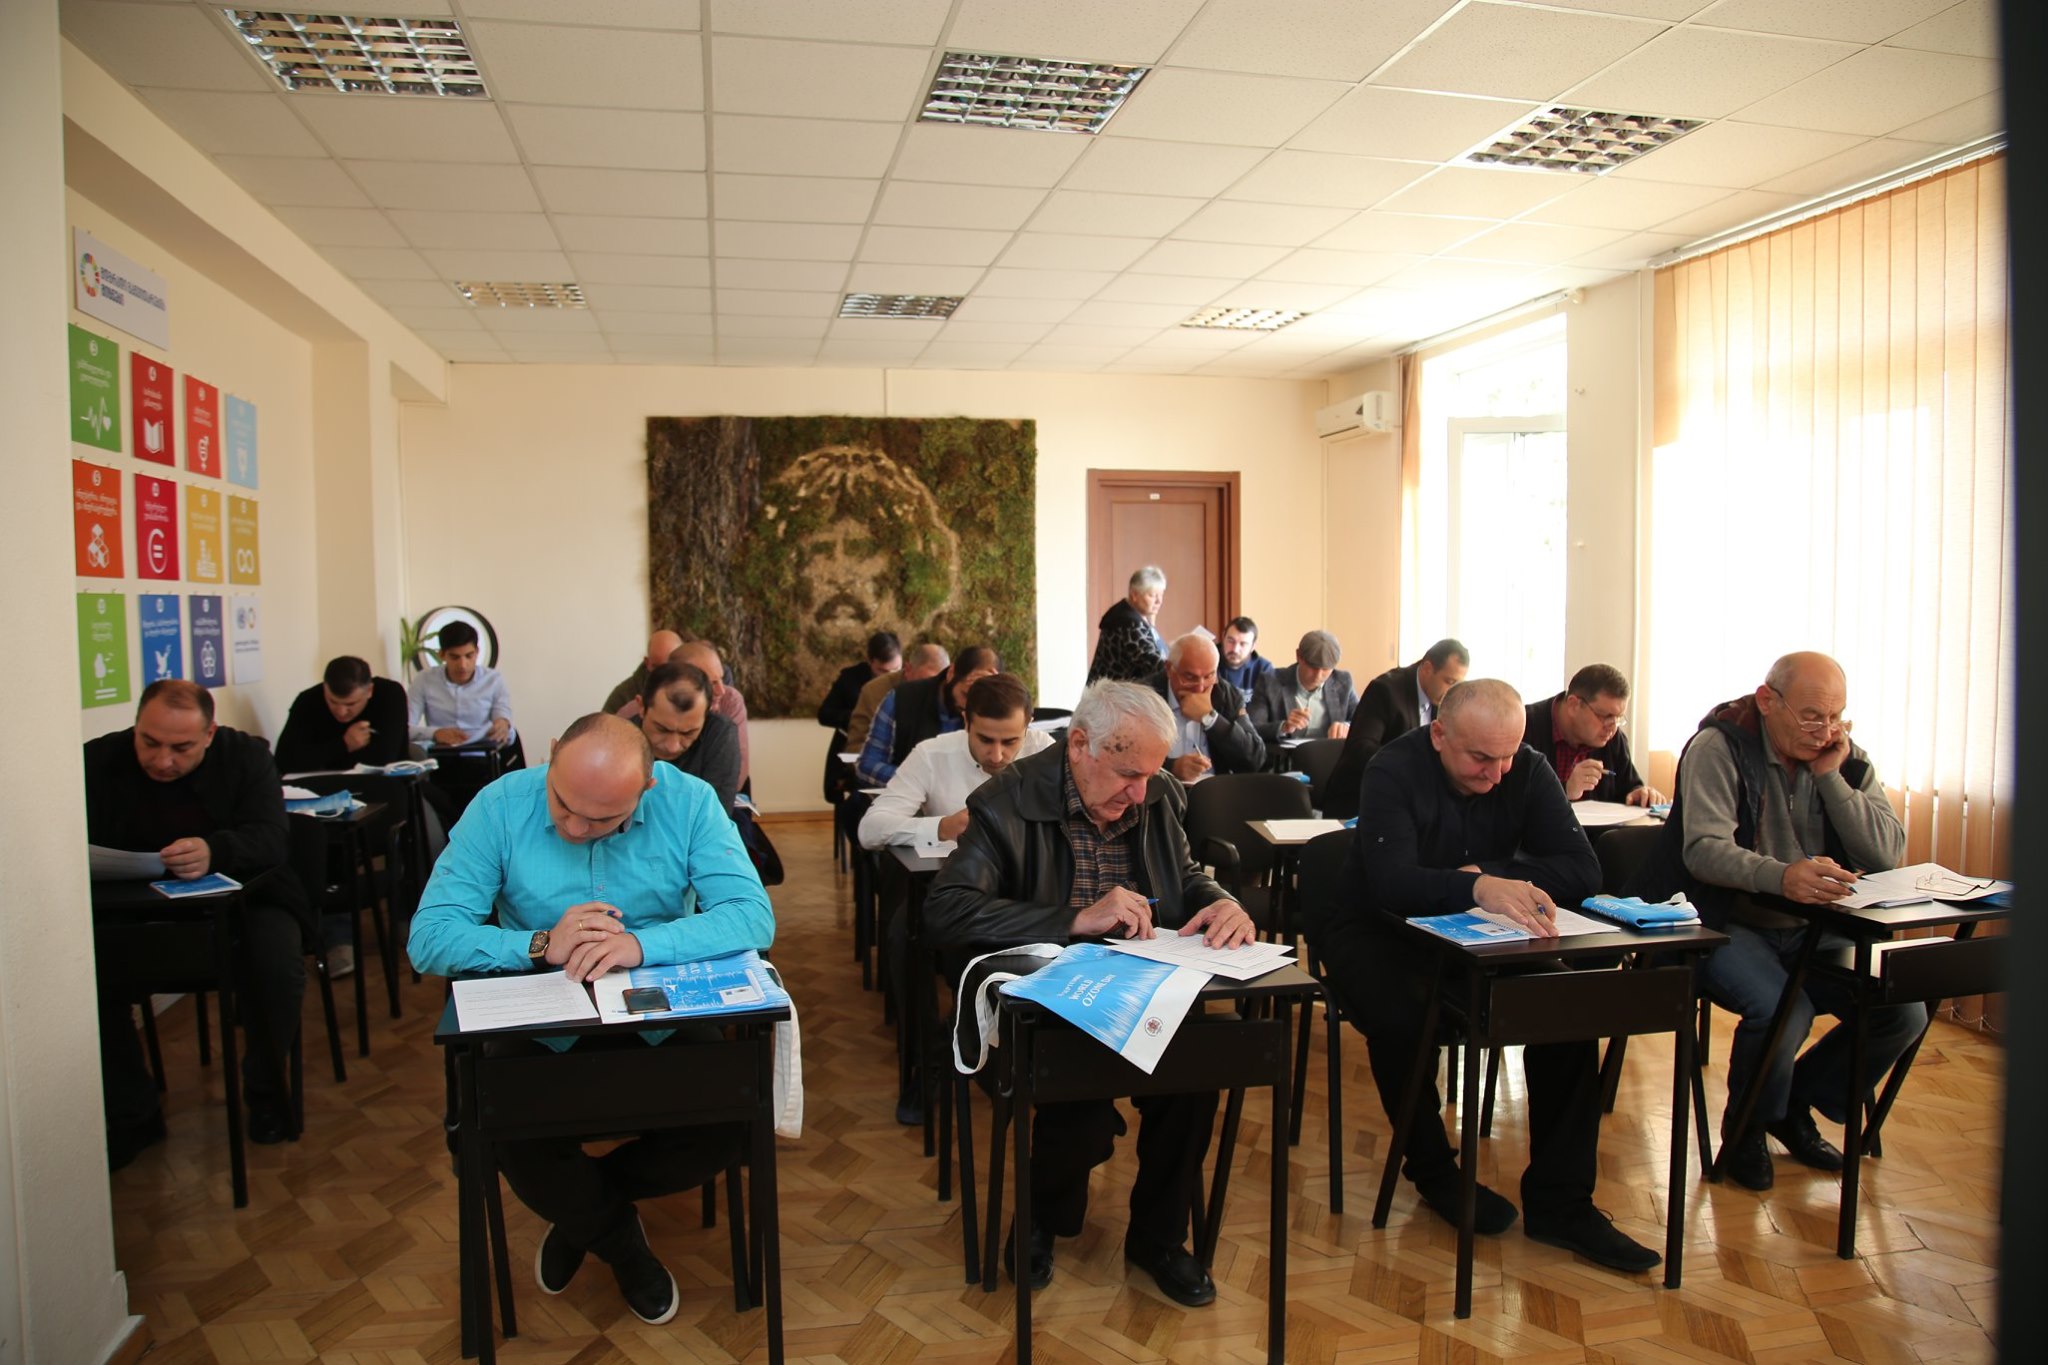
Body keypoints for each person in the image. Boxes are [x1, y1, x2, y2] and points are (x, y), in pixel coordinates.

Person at [407, 713, 774, 1326]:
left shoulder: (688, 802)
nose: (576, 829)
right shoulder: (500, 806)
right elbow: (429, 938)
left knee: (726, 1122)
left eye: (603, 820)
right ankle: (623, 1246)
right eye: (563, 805)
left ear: (646, 788)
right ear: (552, 755)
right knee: (508, 1126)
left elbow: (751, 916)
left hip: (658, 1012)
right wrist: (538, 944)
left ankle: (584, 1215)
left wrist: (642, 945)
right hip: (543, 1018)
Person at [1307, 679, 1661, 1273]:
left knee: (1566, 1007)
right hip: (1376, 929)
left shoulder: (1527, 766)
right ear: (1439, 735)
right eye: (1480, 758)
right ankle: (1433, 1171)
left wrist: (1489, 875)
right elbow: (1393, 882)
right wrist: (1476, 886)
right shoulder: (1392, 768)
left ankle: (1562, 1203)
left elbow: (1583, 869)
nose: (1497, 774)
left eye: (1507, 757)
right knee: (1403, 1014)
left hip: (1482, 931)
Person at [924, 681, 1256, 1306]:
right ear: (1079, 745)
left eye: (1150, 775)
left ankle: (1159, 1239)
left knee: (1197, 1076)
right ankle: (1040, 1221)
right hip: (1049, 999)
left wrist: (1221, 902)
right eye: (1128, 774)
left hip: (1149, 984)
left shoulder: (1158, 793)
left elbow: (1185, 876)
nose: (1141, 793)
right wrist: (1074, 918)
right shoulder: (1006, 800)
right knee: (1077, 1109)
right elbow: (947, 910)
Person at [1631, 652, 1920, 1193]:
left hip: (1815, 928)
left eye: (1835, 717)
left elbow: (1886, 853)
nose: (1825, 731)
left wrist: (1832, 780)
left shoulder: (1843, 757)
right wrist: (1782, 877)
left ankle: (1792, 1105)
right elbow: (1704, 851)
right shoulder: (1719, 746)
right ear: (1767, 701)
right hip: (1721, 920)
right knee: (1784, 1009)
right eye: (1811, 717)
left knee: (1903, 1010)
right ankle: (1746, 1131)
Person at [85, 680, 310, 1162]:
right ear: (136, 725)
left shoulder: (246, 757)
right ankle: (132, 1111)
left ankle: (265, 1092)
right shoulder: (98, 760)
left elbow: (272, 839)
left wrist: (216, 849)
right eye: (149, 742)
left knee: (276, 967)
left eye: (181, 748)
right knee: (83, 975)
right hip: (133, 909)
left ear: (209, 734)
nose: (162, 761)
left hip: (247, 902)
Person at [859, 673, 1050, 849]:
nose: (997, 756)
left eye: (1010, 742)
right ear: (966, 721)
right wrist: (942, 828)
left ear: (1028, 725)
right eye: (985, 740)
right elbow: (870, 830)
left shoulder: (1044, 751)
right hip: (955, 872)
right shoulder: (930, 755)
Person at [1323, 638, 1469, 820]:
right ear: (1427, 669)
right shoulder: (1385, 690)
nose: (1452, 691)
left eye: (1457, 684)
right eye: (1449, 681)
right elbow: (1361, 748)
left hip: (1415, 800)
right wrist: (1415, 766)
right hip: (1363, 798)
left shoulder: (1446, 700)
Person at [856, 645, 999, 787]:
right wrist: (921, 781)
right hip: (905, 796)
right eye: (965, 695)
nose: (968, 706)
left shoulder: (990, 711)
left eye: (978, 700)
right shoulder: (902, 698)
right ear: (951, 673)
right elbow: (867, 765)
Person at [1524, 664, 1665, 807]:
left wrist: (1640, 794)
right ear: (1573, 705)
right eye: (1605, 716)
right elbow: (1513, 800)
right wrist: (1565, 789)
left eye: (1618, 718)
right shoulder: (1524, 728)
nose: (1613, 727)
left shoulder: (1613, 739)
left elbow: (1629, 787)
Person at [1141, 633, 1266, 780]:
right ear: (1169, 669)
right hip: (1160, 790)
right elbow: (1127, 757)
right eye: (1190, 677)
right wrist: (1171, 767)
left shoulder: (1228, 696)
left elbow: (1255, 759)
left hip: (1216, 790)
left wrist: (1211, 718)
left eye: (1208, 676)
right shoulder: (1144, 697)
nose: (1200, 688)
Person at [638, 660, 742, 816]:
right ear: (641, 707)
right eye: (662, 729)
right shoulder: (619, 738)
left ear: (706, 715)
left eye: (688, 733)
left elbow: (715, 817)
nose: (672, 746)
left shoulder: (720, 734)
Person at [274, 655, 410, 773]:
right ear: (324, 687)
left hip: (384, 785)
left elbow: (383, 759)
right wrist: (344, 744)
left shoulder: (389, 695)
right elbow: (284, 762)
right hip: (322, 785)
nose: (341, 712)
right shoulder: (308, 700)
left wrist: (319, 755)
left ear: (369, 691)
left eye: (350, 704)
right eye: (332, 701)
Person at [818, 630, 902, 801]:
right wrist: (859, 715)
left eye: (895, 669)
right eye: (882, 670)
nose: (889, 676)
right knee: (849, 801)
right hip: (851, 747)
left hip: (892, 754)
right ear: (870, 661)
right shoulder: (850, 678)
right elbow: (824, 714)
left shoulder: (908, 681)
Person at [408, 620, 514, 749]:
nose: (463, 665)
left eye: (469, 656)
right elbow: (406, 728)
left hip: (483, 752)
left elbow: (502, 716)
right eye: (455, 657)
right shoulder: (424, 679)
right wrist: (435, 733)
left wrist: (503, 724)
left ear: (477, 652)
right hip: (442, 753)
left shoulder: (493, 680)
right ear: (441, 655)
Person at [1249, 630, 1357, 747]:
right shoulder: (1270, 681)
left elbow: (1364, 721)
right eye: (1312, 667)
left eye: (1326, 669)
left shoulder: (1343, 681)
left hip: (1330, 755)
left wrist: (1346, 727)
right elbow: (1252, 727)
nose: (1318, 675)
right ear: (1298, 656)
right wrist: (1283, 727)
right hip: (1286, 756)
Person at [846, 642, 948, 759]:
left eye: (940, 682)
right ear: (908, 669)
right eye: (928, 680)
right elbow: (856, 746)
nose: (933, 687)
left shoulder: (948, 695)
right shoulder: (875, 692)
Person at [675, 640, 750, 792]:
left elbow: (734, 777)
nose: (721, 690)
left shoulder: (730, 701)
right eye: (712, 683)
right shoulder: (640, 710)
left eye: (721, 679)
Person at [1086, 566, 1167, 684]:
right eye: (1152, 595)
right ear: (1134, 595)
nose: (1159, 601)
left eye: (1161, 595)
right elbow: (1156, 665)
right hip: (1113, 694)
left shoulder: (1129, 615)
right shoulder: (1129, 624)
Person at [603, 629, 684, 716]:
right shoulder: (624, 695)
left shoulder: (693, 689)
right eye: (657, 668)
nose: (664, 674)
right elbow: (603, 724)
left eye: (671, 667)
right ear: (647, 663)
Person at [1215, 616, 1274, 697]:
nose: (1235, 649)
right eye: (1230, 641)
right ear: (1223, 637)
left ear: (1253, 647)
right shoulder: (1208, 661)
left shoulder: (1263, 669)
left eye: (1243, 644)